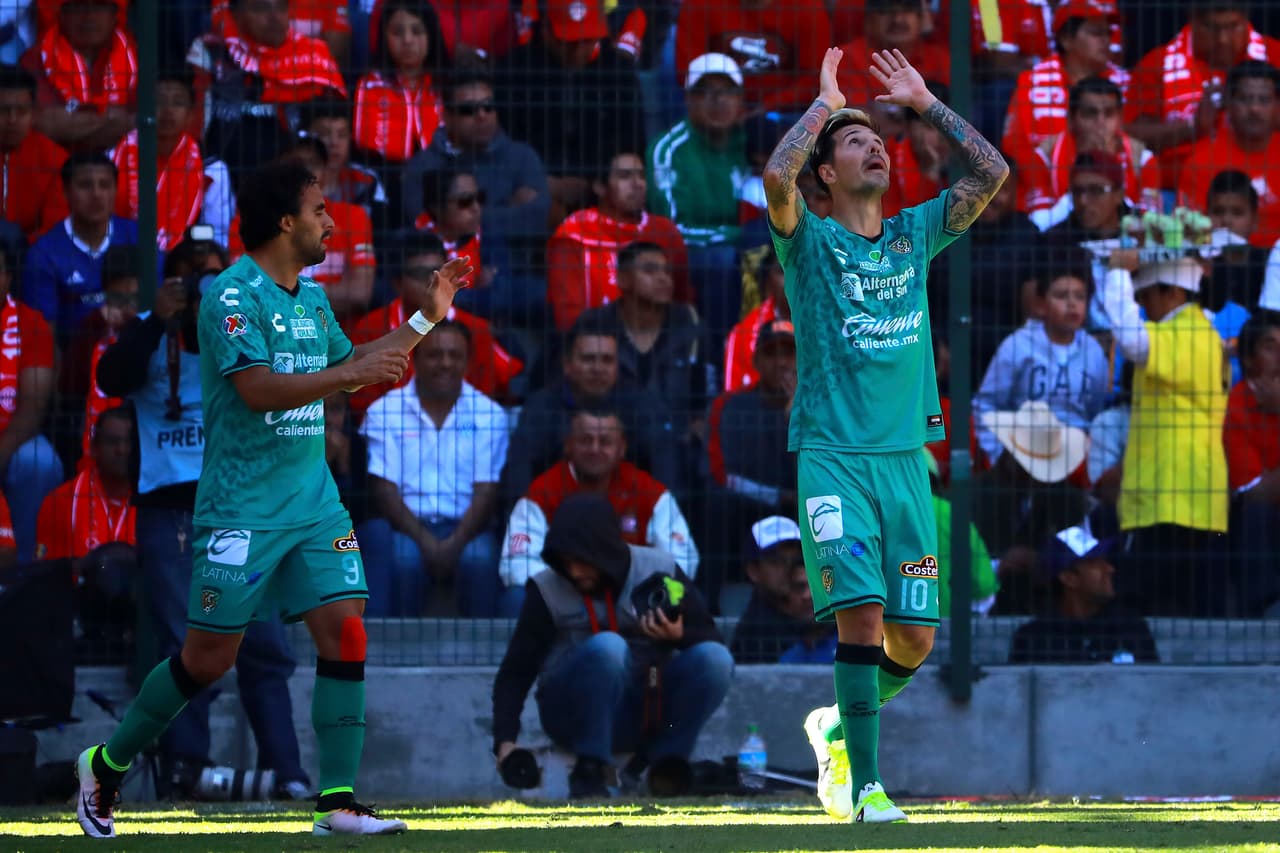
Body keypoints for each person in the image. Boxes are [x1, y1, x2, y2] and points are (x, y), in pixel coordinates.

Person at [72, 159, 474, 838]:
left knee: (345, 628)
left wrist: (426, 319)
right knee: (209, 658)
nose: (331, 221)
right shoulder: (230, 296)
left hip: (312, 501)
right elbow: (258, 390)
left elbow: (360, 367)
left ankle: (337, 799)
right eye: (320, 210)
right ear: (286, 220)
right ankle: (106, 763)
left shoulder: (313, 300)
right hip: (241, 509)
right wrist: (346, 371)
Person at [762, 46, 1008, 822]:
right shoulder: (807, 242)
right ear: (826, 174)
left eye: (879, 140)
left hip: (907, 461)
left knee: (913, 641)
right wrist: (825, 102)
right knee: (861, 615)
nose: (875, 144)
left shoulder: (913, 234)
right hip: (834, 457)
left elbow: (990, 173)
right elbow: (776, 178)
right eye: (854, 141)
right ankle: (866, 787)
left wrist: (927, 102)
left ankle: (835, 724)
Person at [93, 246, 312, 800]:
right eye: (193, 281)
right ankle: (185, 769)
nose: (204, 292)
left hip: (242, 508)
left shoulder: (246, 327)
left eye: (214, 277)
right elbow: (110, 377)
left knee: (264, 643)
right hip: (173, 511)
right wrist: (157, 318)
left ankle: (288, 773)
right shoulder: (152, 334)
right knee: (186, 643)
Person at [492, 492, 731, 798]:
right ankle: (590, 772)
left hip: (645, 708)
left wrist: (677, 636)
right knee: (608, 647)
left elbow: (713, 640)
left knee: (715, 660)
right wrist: (505, 742)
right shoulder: (547, 589)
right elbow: (515, 672)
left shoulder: (661, 571)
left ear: (605, 551)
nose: (575, 572)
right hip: (569, 712)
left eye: (582, 560)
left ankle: (665, 768)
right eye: (567, 562)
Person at [1100, 254, 1228, 617]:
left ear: (1170, 291)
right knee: (1193, 614)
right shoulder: (1201, 332)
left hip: (1170, 494)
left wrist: (1118, 274)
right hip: (1192, 495)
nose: (1141, 307)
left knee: (1142, 606)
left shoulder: (1186, 332)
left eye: (1145, 298)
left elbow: (1132, 340)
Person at [358, 319, 510, 617]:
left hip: (467, 528)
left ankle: (478, 658)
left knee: (479, 559)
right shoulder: (384, 411)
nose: (445, 363)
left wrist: (454, 543)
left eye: (454, 355)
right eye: (434, 354)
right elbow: (384, 490)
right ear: (414, 358)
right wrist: (427, 543)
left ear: (467, 361)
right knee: (404, 560)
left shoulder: (489, 414)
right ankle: (398, 656)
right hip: (406, 526)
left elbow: (486, 490)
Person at [498, 407, 699, 613]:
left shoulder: (651, 492)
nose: (595, 449)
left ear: (622, 448)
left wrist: (635, 590)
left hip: (633, 604)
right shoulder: (541, 493)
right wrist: (572, 589)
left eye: (605, 442)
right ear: (568, 446)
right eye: (585, 440)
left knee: (682, 595)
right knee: (517, 597)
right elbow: (517, 563)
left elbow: (682, 560)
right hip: (562, 604)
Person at [499, 316, 680, 509]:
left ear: (617, 367)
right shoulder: (542, 404)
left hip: (627, 512)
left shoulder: (642, 404)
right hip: (557, 512)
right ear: (567, 365)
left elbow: (666, 469)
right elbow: (519, 470)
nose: (598, 368)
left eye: (607, 360)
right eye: (588, 359)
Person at [493, 0, 645, 224]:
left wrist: (595, 182)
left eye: (587, 40)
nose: (580, 50)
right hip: (533, 191)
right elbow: (501, 143)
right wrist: (544, 183)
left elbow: (633, 141)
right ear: (545, 29)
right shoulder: (513, 70)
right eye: (571, 42)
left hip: (603, 191)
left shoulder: (619, 73)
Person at [348, 233, 523, 415]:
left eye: (439, 272)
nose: (433, 282)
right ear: (397, 283)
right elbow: (363, 405)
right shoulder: (370, 327)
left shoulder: (476, 328)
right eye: (420, 274)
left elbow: (485, 398)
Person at [646, 53, 750, 338]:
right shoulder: (669, 149)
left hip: (744, 243)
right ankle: (717, 356)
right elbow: (672, 230)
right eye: (706, 92)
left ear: (741, 100)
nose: (718, 100)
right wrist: (737, 235)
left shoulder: (753, 142)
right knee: (724, 259)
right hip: (694, 253)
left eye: (727, 91)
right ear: (688, 99)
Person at [1125, 1, 1280, 190]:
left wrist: (1259, 111)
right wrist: (1191, 127)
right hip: (1176, 190)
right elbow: (1128, 135)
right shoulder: (1157, 63)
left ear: (1247, 20)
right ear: (1192, 20)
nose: (1223, 39)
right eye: (1211, 28)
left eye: (1233, 27)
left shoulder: (1275, 55)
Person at [973, 266, 1110, 468]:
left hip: (1076, 458)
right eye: (1062, 296)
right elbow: (986, 405)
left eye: (1080, 297)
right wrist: (998, 454)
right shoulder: (1017, 344)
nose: (1072, 304)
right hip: (1022, 455)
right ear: (1041, 304)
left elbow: (1096, 410)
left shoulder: (1094, 351)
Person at [546, 150, 691, 332]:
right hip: (593, 346)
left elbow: (683, 301)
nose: (637, 184)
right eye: (625, 176)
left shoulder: (665, 231)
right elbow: (567, 316)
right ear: (600, 186)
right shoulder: (574, 236)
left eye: (641, 176)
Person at [21, 150, 139, 339]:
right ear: (66, 192)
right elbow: (43, 337)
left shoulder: (138, 237)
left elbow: (156, 309)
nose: (96, 194)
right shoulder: (44, 253)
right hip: (74, 359)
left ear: (116, 190)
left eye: (105, 185)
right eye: (85, 185)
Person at [1018, 77, 1161, 232]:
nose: (1100, 122)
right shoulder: (1043, 157)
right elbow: (1039, 223)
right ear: (1072, 118)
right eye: (1090, 114)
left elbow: (1149, 224)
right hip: (1065, 245)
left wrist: (1105, 169)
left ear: (1120, 118)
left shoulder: (1143, 158)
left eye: (1109, 113)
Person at [1008, 522, 1159, 664]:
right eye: (1095, 564)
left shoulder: (1131, 629)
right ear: (1069, 578)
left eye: (1105, 561)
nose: (1109, 569)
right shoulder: (1034, 639)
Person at [1001, 3, 1128, 166]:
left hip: (1111, 181)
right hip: (1044, 181)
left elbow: (1133, 147)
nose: (1106, 40)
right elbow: (1014, 147)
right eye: (1096, 33)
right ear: (1066, 40)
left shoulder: (1126, 82)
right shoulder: (1033, 81)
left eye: (1108, 33)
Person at [0, 241, 62, 563]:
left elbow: (34, 405)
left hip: (10, 439)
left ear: (8, 278)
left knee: (39, 461)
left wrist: (1, 451)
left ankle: (22, 574)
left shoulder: (31, 322)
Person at [1180, 60, 1280, 248]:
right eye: (1245, 99)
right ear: (1228, 104)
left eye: (1264, 100)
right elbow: (1190, 234)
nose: (1254, 109)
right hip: (1220, 262)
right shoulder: (1200, 162)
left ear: (1277, 105)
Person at [1222, 312, 1280, 617]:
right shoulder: (1238, 402)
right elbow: (1252, 492)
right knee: (1256, 513)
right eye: (1270, 347)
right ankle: (1267, 608)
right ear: (1246, 359)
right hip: (1259, 521)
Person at [19, 0, 136, 150]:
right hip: (54, 163)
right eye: (79, 6)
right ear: (62, 15)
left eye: (100, 7)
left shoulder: (136, 56)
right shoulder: (35, 59)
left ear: (114, 16)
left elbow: (142, 120)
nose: (89, 16)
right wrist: (110, 117)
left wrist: (72, 124)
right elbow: (41, 122)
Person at [109, 69, 203, 252]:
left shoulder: (208, 168)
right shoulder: (115, 156)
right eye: (159, 102)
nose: (168, 111)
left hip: (178, 257)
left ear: (191, 114)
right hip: (120, 254)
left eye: (178, 102)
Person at [354, 0, 448, 167]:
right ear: (384, 37)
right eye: (397, 32)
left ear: (431, 35)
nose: (407, 40)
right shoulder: (369, 86)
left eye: (417, 31)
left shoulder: (447, 84)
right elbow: (366, 150)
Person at [731, 515, 836, 664]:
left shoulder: (818, 612)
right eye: (777, 561)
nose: (789, 568)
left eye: (796, 559)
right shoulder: (757, 630)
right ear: (753, 571)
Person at [0, 63, 67, 242]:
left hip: (30, 256)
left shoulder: (55, 158)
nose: (12, 120)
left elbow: (54, 228)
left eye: (21, 111)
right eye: (3, 111)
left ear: (34, 113)